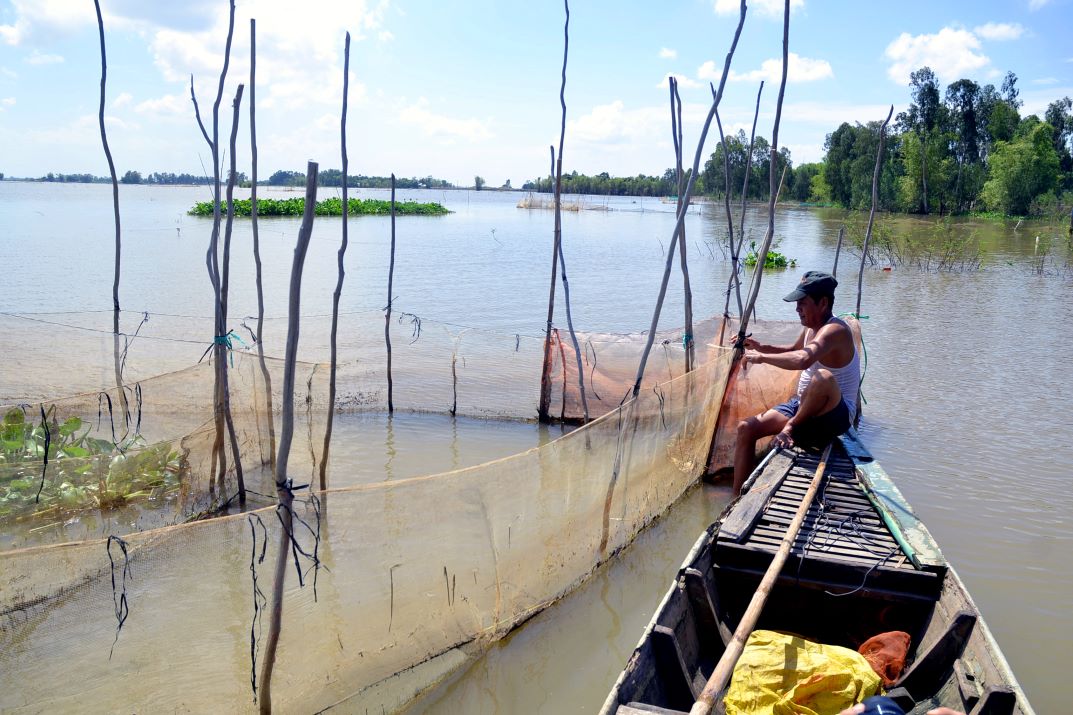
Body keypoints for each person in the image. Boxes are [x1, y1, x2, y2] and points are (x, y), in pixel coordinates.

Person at [732, 270, 860, 495]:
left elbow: (803, 359)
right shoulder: (810, 329)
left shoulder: (835, 330)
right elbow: (793, 351)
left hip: (835, 416)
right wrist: (759, 346)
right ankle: (735, 499)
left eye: (802, 303)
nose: (797, 309)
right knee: (746, 428)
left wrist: (761, 358)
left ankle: (790, 427)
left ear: (823, 303)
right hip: (804, 406)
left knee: (823, 377)